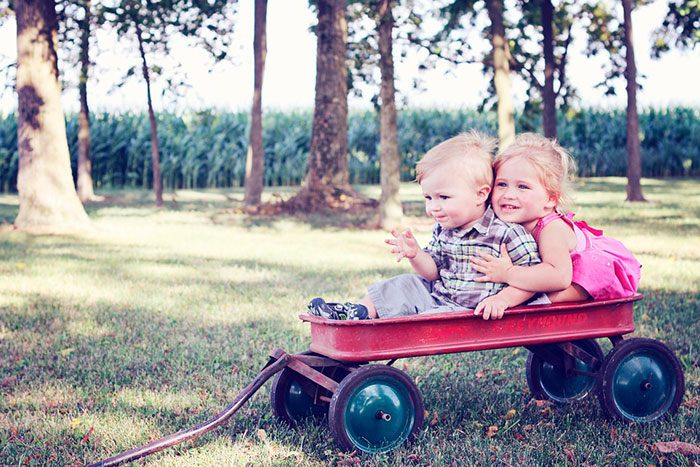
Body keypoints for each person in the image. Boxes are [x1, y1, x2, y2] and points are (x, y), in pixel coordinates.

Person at [308, 131, 544, 321]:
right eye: (428, 198)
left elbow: (533, 280)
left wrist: (503, 299)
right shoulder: (444, 227)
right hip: (438, 296)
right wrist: (416, 254)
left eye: (443, 197)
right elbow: (433, 272)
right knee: (403, 283)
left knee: (424, 321)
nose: (433, 207)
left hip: (467, 312)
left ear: (480, 194)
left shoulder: (506, 233)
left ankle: (375, 328)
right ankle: (358, 312)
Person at [471, 133, 641, 302]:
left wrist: (507, 273)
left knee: (541, 296)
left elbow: (559, 276)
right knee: (528, 287)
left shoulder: (551, 230)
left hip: (592, 273)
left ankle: (537, 304)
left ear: (551, 199)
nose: (508, 194)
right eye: (502, 184)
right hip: (558, 272)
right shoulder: (509, 219)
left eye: (522, 186)